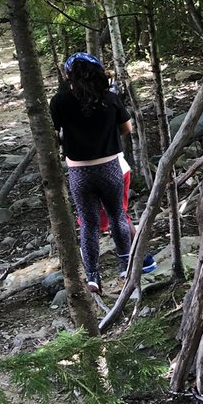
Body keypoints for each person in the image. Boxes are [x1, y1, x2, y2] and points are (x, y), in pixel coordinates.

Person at [49, 52, 154, 293]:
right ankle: (125, 264)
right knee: (118, 214)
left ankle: (93, 276)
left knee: (88, 223)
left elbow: (53, 136)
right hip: (110, 167)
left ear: (69, 76)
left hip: (79, 172)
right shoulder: (110, 98)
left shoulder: (59, 101)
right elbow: (127, 127)